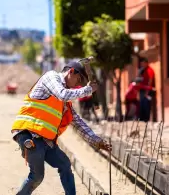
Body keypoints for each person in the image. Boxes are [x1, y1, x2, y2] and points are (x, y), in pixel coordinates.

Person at [11, 61, 111, 195]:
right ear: (71, 72)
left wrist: (96, 140)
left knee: (64, 165)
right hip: (29, 134)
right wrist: (88, 90)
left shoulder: (65, 102)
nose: (78, 85)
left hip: (46, 141)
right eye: (78, 80)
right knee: (37, 176)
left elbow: (77, 122)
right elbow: (62, 94)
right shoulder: (51, 77)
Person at [137, 57, 155, 122]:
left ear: (146, 63)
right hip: (142, 90)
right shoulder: (142, 71)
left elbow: (150, 80)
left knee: (146, 105)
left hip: (147, 90)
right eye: (141, 64)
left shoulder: (150, 70)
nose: (142, 65)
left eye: (143, 64)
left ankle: (146, 119)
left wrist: (147, 91)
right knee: (142, 105)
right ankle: (142, 119)